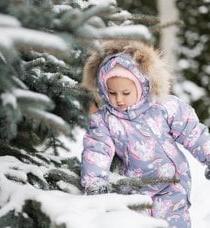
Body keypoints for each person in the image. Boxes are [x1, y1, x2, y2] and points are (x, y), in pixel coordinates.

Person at [80, 40, 210, 227]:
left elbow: (193, 133)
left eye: (125, 92)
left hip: (172, 184)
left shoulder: (164, 106)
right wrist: (94, 183)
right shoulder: (105, 120)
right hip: (135, 189)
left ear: (141, 85)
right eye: (112, 92)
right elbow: (96, 150)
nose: (118, 99)